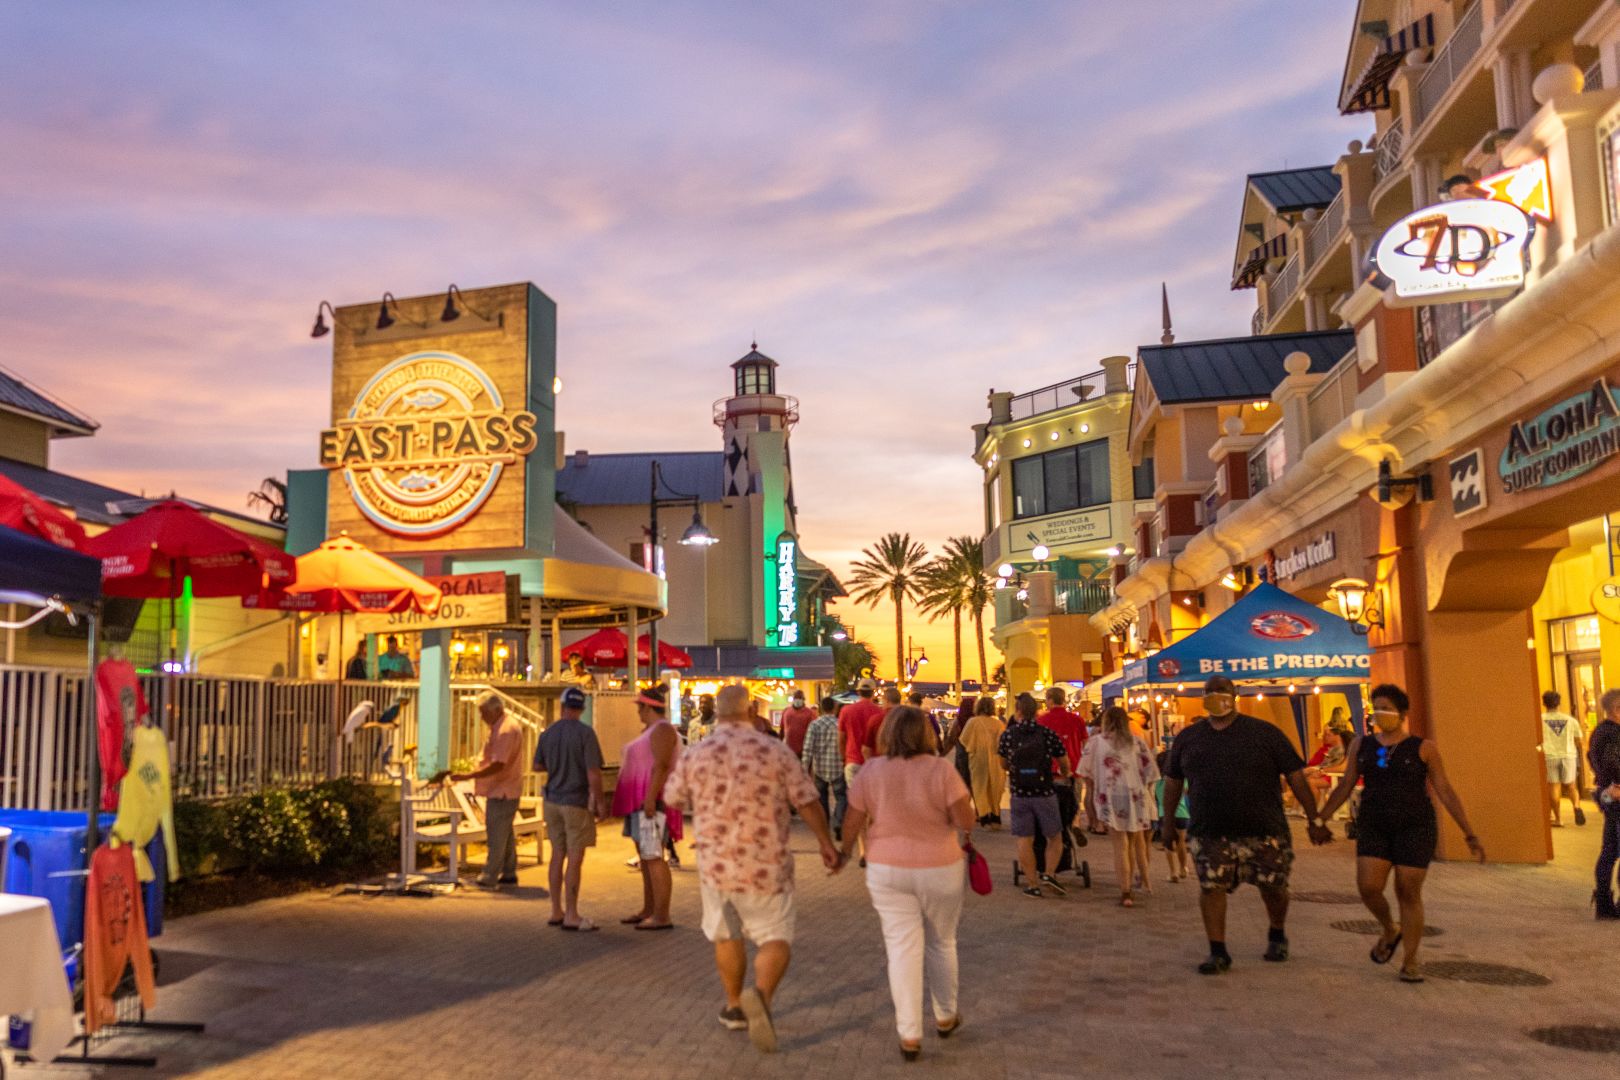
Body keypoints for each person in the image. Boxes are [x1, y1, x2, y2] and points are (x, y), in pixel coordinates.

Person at [664, 684, 841, 1053]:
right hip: (767, 865)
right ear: (750, 711)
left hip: (716, 866)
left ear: (718, 713)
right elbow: (807, 801)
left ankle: (733, 1006)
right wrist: (826, 843)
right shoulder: (774, 750)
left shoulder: (698, 753)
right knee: (776, 939)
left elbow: (673, 799)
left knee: (727, 935)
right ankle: (760, 995)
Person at [1161, 675, 1329, 975]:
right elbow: (1173, 781)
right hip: (1210, 830)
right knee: (1211, 887)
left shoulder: (1264, 733)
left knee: (1274, 887)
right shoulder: (1189, 738)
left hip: (1264, 829)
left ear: (1235, 694)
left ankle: (1277, 933)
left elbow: (1296, 777)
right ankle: (1218, 951)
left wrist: (1314, 819)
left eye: (1222, 691)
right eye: (1210, 692)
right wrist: (1168, 822)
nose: (1216, 696)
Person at [1317, 684, 1484, 982]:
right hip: (1374, 824)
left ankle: (1411, 959)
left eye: (1387, 708)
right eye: (1377, 707)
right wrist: (1321, 818)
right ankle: (1389, 928)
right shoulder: (1361, 745)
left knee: (1408, 890)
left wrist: (1469, 832)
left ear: (1403, 713)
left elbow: (1444, 789)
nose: (1381, 713)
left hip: (1415, 826)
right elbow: (1346, 784)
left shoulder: (1424, 748)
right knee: (1369, 887)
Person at [842, 707, 974, 1061]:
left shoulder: (871, 770)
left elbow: (852, 819)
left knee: (902, 948)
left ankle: (910, 1033)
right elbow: (965, 820)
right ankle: (945, 1015)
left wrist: (842, 853)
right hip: (940, 866)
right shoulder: (941, 770)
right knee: (942, 942)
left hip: (887, 868)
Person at [533, 686, 604, 930]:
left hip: (552, 801)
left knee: (557, 854)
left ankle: (556, 911)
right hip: (576, 801)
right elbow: (593, 772)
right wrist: (600, 802)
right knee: (575, 858)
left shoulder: (548, 733)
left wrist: (557, 764)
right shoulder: (586, 734)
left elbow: (537, 766)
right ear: (581, 709)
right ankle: (572, 914)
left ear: (562, 707)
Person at [611, 684, 680, 930]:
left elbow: (661, 765)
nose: (638, 712)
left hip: (651, 802)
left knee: (653, 856)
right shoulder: (653, 730)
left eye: (640, 708)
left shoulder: (662, 730)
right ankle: (649, 908)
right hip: (641, 801)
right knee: (646, 856)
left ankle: (661, 914)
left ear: (648, 708)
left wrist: (651, 797)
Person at [1078, 706, 1159, 907]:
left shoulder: (1096, 742)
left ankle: (1125, 890)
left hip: (1111, 795)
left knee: (1120, 845)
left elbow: (1085, 772)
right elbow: (1151, 773)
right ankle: (1131, 884)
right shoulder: (1137, 742)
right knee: (1131, 842)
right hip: (1136, 796)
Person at [998, 693, 1072, 898]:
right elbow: (1063, 760)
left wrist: (1016, 770)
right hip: (1044, 792)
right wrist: (1065, 773)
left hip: (1020, 793)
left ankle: (1032, 884)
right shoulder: (1047, 733)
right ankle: (1049, 873)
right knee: (1054, 836)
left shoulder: (1008, 735)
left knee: (1025, 839)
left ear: (1018, 711)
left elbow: (1003, 763)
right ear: (1037, 712)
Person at [449, 691, 526, 888]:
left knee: (496, 835)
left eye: (484, 712)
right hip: (505, 788)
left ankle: (490, 875)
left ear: (496, 710)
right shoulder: (504, 726)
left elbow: (498, 764)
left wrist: (469, 775)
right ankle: (509, 872)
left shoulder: (505, 731)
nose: (481, 717)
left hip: (502, 790)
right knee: (505, 833)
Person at [1035, 686, 1088, 877]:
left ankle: (1048, 859)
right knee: (1073, 803)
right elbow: (1085, 744)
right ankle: (1075, 823)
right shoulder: (1077, 719)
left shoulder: (1042, 720)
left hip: (1049, 772)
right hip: (1073, 770)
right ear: (1064, 700)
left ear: (1049, 700)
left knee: (1049, 812)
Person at [1585, 688, 1620, 919]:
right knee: (1612, 849)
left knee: (1609, 849)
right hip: (1616, 795)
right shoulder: (1614, 733)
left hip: (1607, 794)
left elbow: (1592, 758)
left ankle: (1604, 902)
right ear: (1616, 710)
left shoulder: (1599, 731)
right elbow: (1612, 762)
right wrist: (1616, 784)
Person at [801, 695, 846, 839]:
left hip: (819, 768)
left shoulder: (814, 725)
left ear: (821, 709)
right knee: (842, 797)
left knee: (822, 798)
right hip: (838, 766)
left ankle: (825, 826)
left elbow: (808, 748)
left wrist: (804, 769)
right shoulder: (840, 724)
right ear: (835, 708)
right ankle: (838, 821)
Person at [1541, 690, 1587, 827]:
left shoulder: (1540, 719)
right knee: (1571, 786)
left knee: (1554, 787)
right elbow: (1579, 740)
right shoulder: (1570, 720)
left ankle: (1558, 819)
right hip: (1568, 756)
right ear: (1558, 703)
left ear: (1544, 703)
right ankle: (1577, 806)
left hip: (1550, 756)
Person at [958, 696, 1006, 827]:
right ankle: (995, 815)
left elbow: (964, 740)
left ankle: (984, 815)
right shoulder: (999, 724)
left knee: (980, 787)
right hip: (996, 760)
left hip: (978, 759)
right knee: (995, 787)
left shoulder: (973, 722)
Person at [1155, 746, 1193, 883]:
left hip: (1164, 813)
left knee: (1168, 843)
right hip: (1182, 813)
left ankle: (1173, 872)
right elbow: (1186, 791)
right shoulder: (1180, 779)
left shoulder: (1157, 781)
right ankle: (1183, 868)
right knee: (1181, 841)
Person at [1305, 721, 1352, 802]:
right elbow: (1327, 764)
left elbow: (1341, 768)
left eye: (1328, 735)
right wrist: (1320, 770)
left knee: (1309, 781)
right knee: (1301, 777)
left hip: (1339, 777)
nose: (1324, 737)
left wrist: (1321, 770)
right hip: (1331, 773)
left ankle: (1313, 808)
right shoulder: (1333, 749)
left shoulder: (1347, 751)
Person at [781, 690, 817, 758]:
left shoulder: (809, 713)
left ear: (803, 699)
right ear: (793, 699)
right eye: (796, 698)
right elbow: (782, 729)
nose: (797, 700)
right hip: (788, 749)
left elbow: (814, 731)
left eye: (800, 698)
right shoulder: (786, 711)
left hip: (804, 750)